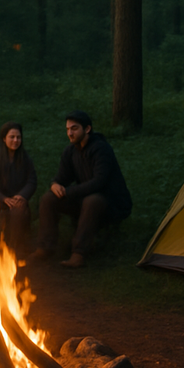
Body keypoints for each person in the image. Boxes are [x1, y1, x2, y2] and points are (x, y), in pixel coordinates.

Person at [29, 110, 132, 268]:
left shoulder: (101, 149)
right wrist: (54, 184)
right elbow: (62, 177)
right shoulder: (70, 151)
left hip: (111, 203)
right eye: (68, 129)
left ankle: (78, 253)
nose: (70, 133)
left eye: (74, 128)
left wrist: (69, 192)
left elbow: (99, 182)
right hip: (84, 199)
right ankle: (45, 247)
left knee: (93, 201)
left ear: (87, 129)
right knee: (49, 198)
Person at [0, 121, 37, 254]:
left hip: (17, 198)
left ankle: (15, 248)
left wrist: (22, 195)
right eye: (12, 137)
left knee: (18, 209)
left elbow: (32, 181)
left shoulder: (24, 157)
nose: (15, 140)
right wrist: (4, 199)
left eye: (18, 137)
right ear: (4, 138)